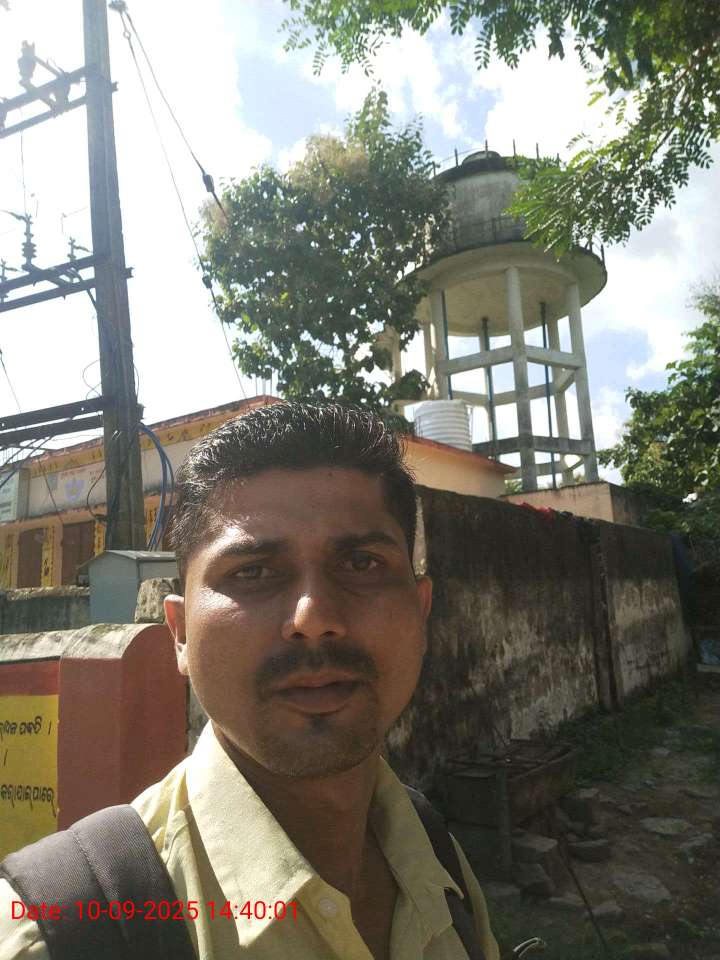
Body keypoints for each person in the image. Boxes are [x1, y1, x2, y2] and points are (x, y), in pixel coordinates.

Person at [0, 401, 500, 960]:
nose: (313, 617)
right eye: (254, 571)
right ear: (180, 632)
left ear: (421, 612)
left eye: (362, 563)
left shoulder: (441, 862)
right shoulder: (57, 931)